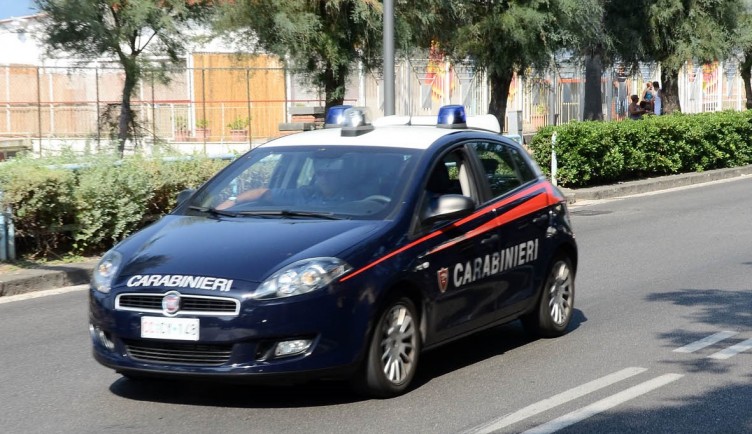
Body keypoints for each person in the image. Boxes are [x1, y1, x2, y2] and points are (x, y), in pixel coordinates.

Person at [217, 158, 351, 209]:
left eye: (330, 173)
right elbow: (263, 193)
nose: (324, 178)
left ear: (340, 176)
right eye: (320, 173)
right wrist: (233, 201)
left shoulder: (355, 198)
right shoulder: (303, 195)